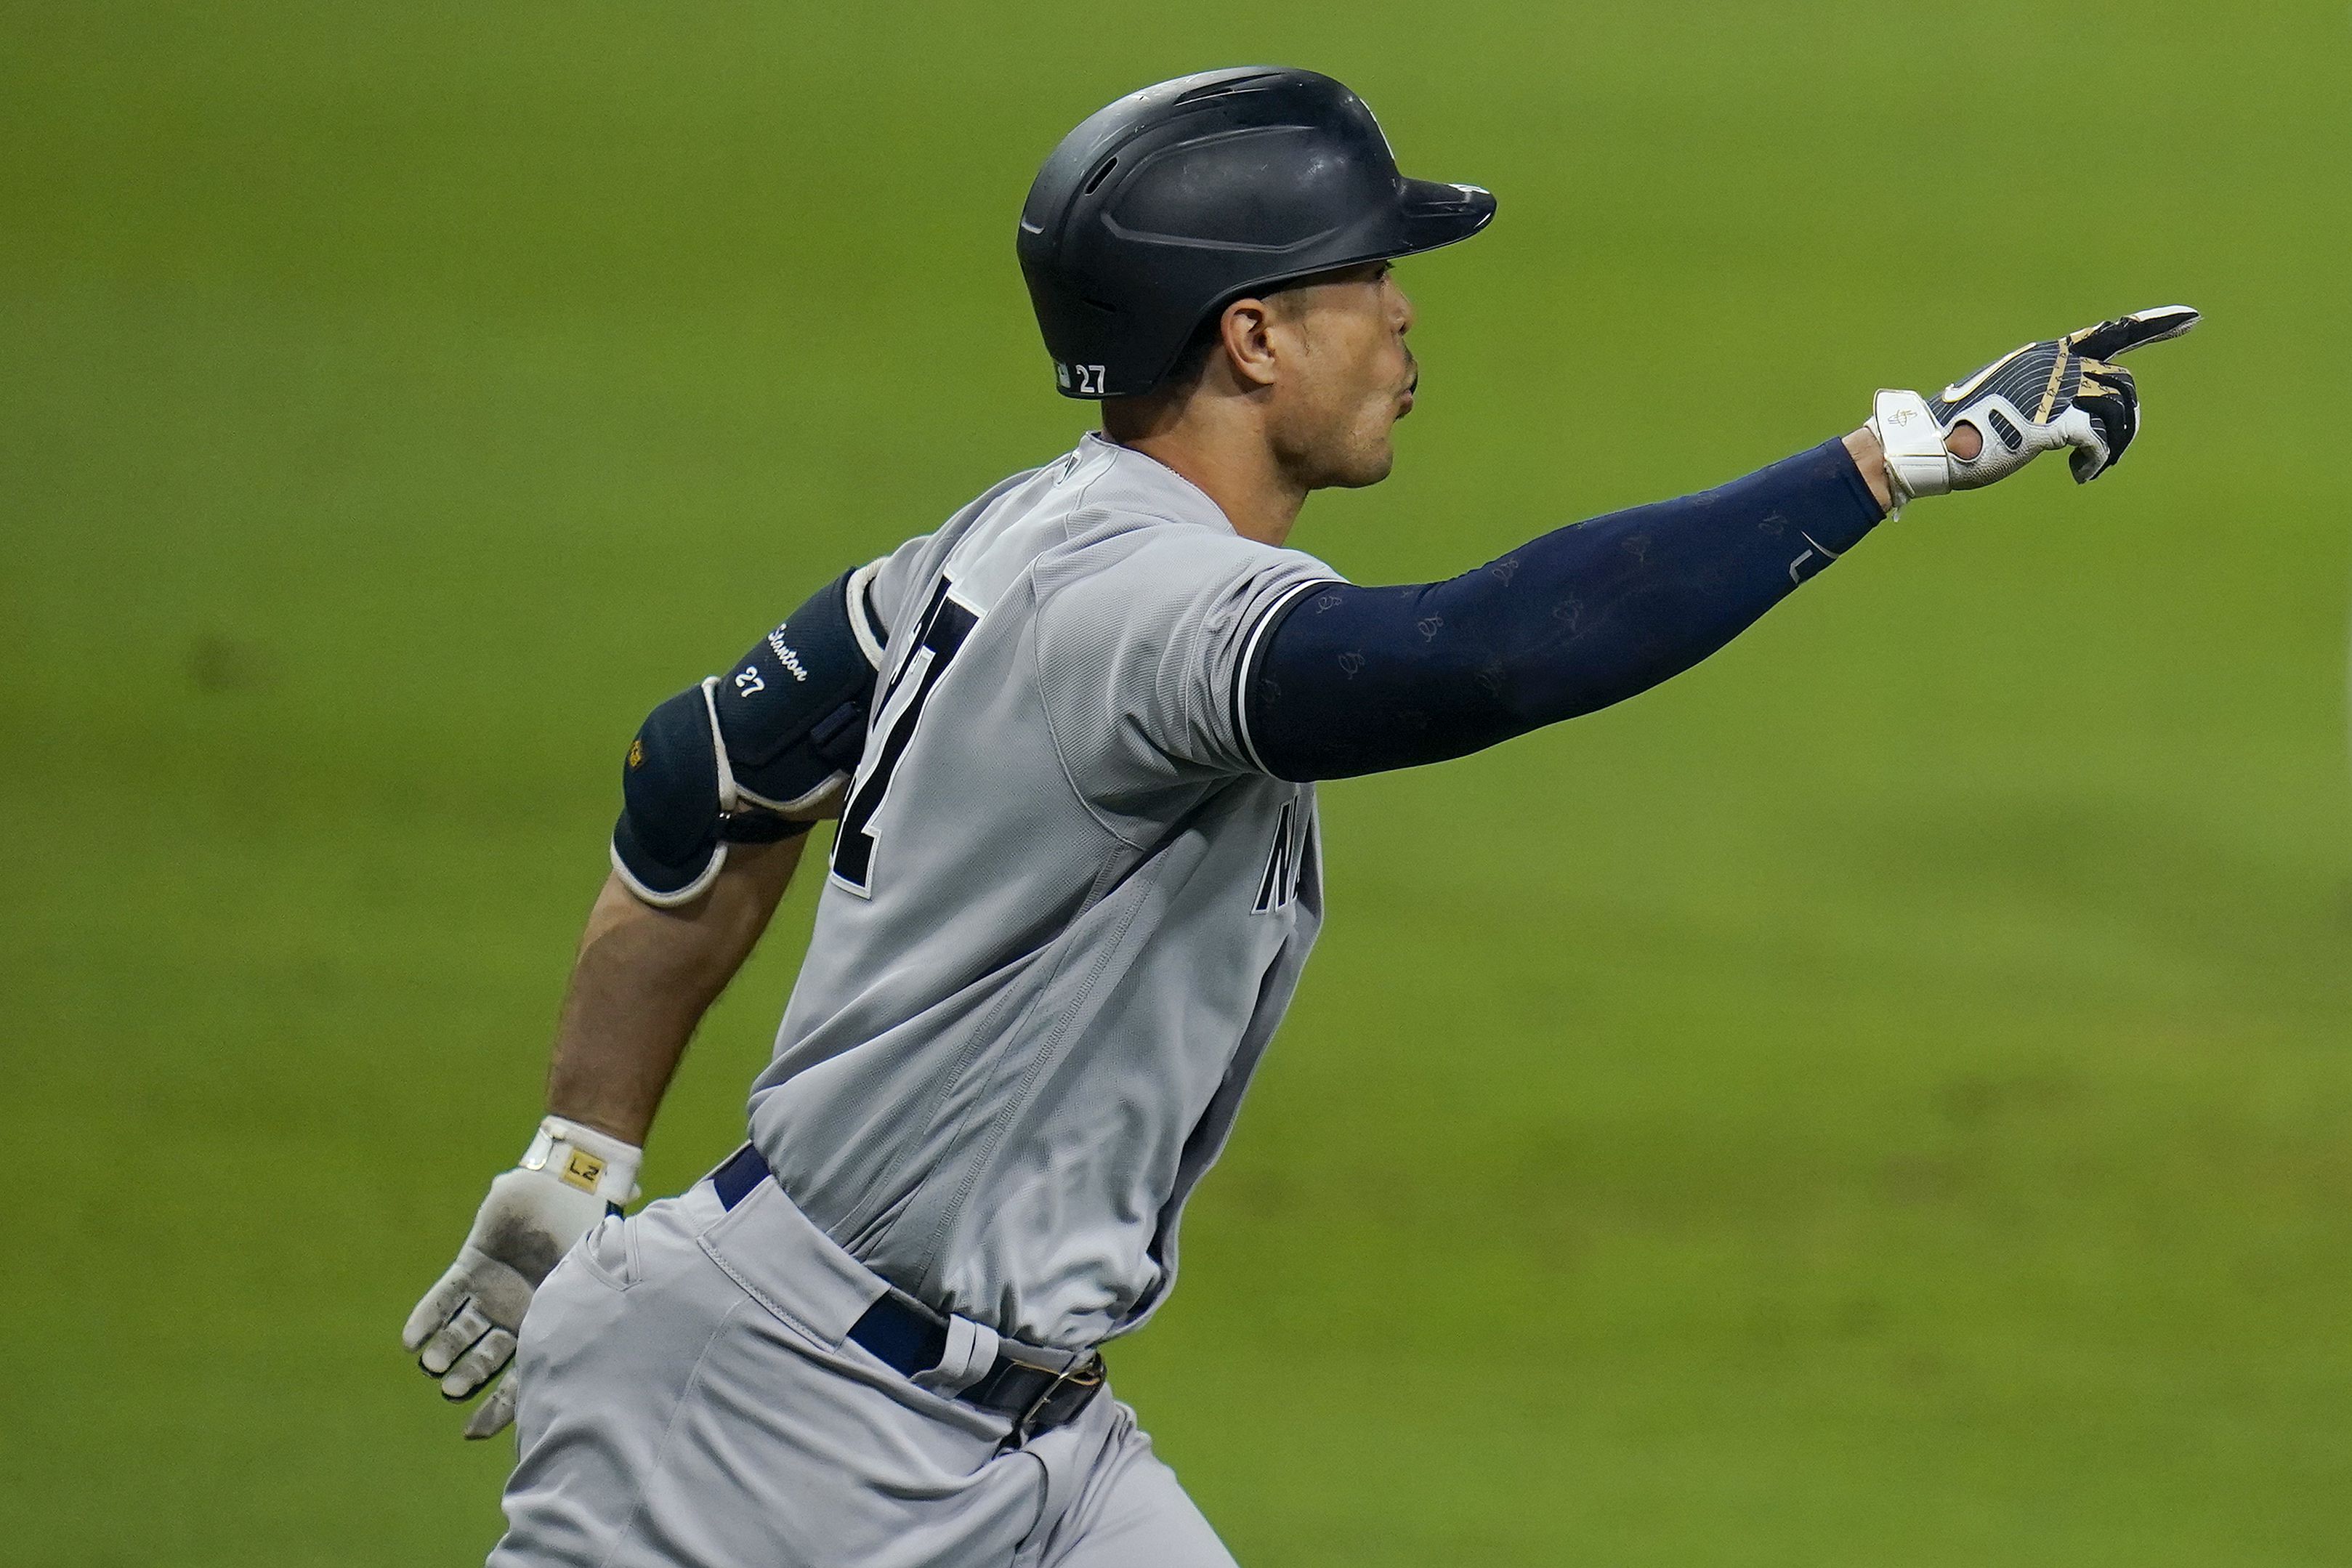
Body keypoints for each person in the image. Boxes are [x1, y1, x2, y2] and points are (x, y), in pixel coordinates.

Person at [402, 65, 2197, 1567]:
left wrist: (576, 1158)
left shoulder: (1003, 533)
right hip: (758, 1426)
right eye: (1367, 271)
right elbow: (1475, 658)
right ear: (1251, 336)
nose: (1405, 305)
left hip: (1037, 1447)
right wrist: (1883, 462)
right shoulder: (1139, 613)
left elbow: (694, 771)